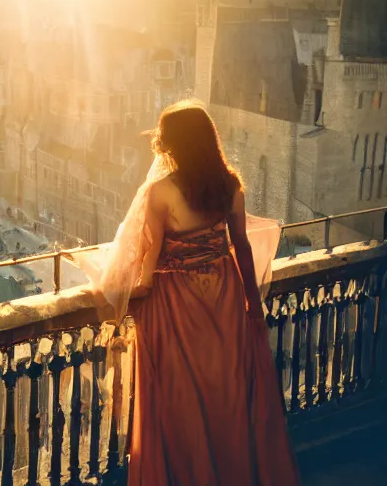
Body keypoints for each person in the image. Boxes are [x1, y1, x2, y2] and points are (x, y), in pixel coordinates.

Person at [90, 100, 300, 485]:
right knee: (225, 393)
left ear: (176, 144)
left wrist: (119, 291)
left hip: (176, 303)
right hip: (225, 296)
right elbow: (242, 246)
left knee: (180, 400)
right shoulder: (230, 186)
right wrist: (253, 308)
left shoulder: (160, 192)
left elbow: (148, 268)